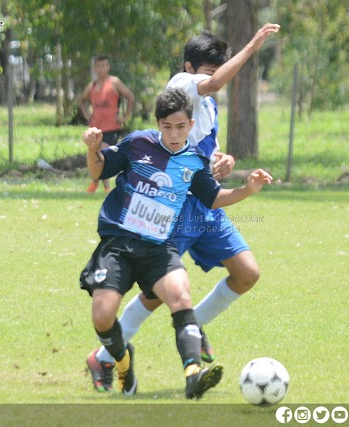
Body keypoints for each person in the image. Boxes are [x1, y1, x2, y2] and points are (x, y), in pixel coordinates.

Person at [87, 24, 280, 392]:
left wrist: (224, 162)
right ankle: (104, 357)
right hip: (175, 207)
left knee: (246, 273)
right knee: (158, 294)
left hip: (205, 203)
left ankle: (195, 324)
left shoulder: (204, 108)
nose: (214, 80)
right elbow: (217, 83)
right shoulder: (182, 82)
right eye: (209, 71)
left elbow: (208, 153)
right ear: (190, 69)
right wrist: (253, 45)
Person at [80, 55, 136, 193]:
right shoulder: (92, 86)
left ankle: (104, 187)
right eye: (99, 66)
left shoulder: (114, 82)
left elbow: (130, 97)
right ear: (95, 68)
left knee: (102, 155)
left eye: (104, 65)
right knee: (94, 155)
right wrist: (87, 115)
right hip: (95, 128)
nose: (101, 69)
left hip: (111, 127)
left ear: (108, 67)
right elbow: (82, 100)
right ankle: (97, 183)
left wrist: (125, 117)